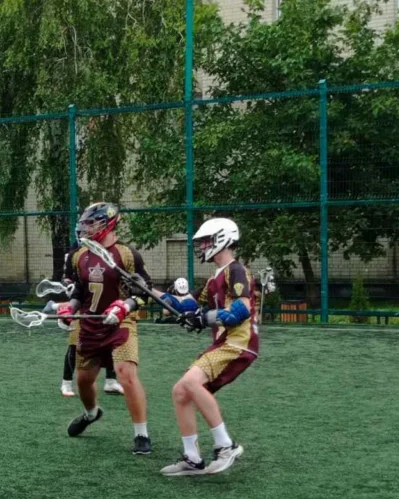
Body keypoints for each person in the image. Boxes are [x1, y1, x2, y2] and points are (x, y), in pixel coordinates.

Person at [161, 217, 257, 476]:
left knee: (191, 382)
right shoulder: (215, 277)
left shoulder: (235, 270)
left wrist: (203, 318)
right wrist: (148, 291)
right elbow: (186, 304)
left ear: (222, 239)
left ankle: (226, 446)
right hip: (224, 343)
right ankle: (192, 459)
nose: (202, 247)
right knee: (180, 391)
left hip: (238, 343)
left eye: (206, 242)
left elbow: (241, 310)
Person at [57, 202, 153, 456]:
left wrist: (125, 306)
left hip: (121, 323)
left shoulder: (127, 254)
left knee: (126, 374)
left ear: (107, 223)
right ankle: (91, 413)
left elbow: (145, 291)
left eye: (91, 223)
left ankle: (141, 434)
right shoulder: (79, 255)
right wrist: (69, 308)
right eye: (84, 223)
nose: (85, 228)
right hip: (90, 324)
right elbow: (79, 292)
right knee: (83, 381)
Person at [56, 241, 124, 398]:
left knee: (111, 343)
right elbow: (67, 278)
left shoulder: (109, 253)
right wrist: (69, 287)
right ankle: (66, 382)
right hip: (83, 308)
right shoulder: (77, 254)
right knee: (74, 346)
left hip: (104, 308)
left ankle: (111, 380)